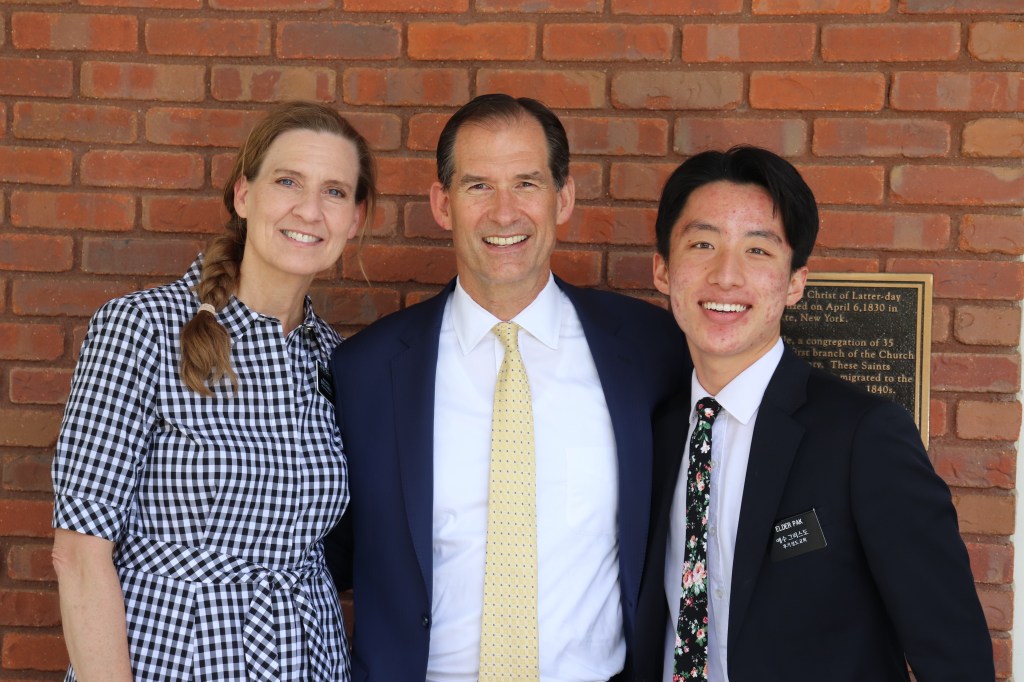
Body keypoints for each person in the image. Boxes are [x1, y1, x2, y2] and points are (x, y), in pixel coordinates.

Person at [326, 93, 689, 681]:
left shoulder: (651, 349)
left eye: (526, 184)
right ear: (442, 204)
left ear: (562, 198)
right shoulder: (366, 369)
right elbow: (324, 552)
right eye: (478, 186)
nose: (503, 213)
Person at [634, 146, 994, 681]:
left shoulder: (863, 436)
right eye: (703, 244)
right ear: (663, 269)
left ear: (795, 282)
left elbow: (953, 653)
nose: (726, 275)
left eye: (758, 250)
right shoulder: (653, 430)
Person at [50, 101, 376, 681]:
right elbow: (79, 554)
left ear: (355, 218)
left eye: (334, 191)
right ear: (243, 195)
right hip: (176, 660)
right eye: (288, 181)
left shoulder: (334, 358)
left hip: (309, 660)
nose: (309, 209)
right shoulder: (143, 329)